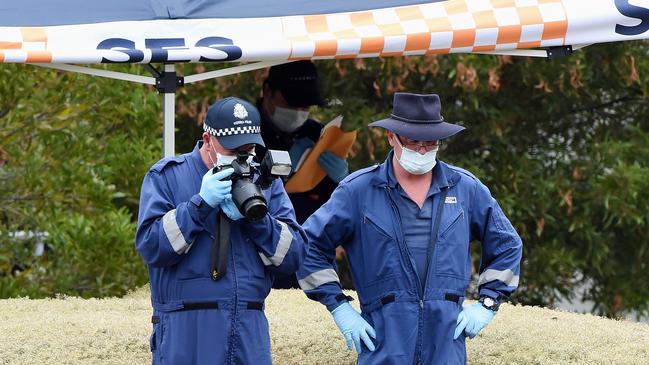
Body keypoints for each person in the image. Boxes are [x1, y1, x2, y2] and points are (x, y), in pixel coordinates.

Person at [297, 93, 523, 364]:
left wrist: (487, 304)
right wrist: (338, 306)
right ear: (392, 138)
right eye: (413, 141)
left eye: (430, 142)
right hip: (383, 345)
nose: (423, 150)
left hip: (446, 347)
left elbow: (507, 245)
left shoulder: (465, 189)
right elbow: (307, 246)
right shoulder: (358, 191)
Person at [135, 96, 306, 365]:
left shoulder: (266, 183)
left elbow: (293, 257)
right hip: (187, 331)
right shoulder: (167, 177)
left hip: (249, 330)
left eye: (248, 149)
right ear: (207, 141)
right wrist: (199, 206)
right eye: (232, 149)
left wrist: (258, 221)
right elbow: (152, 248)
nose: (241, 157)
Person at [256, 60, 349, 288]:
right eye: (293, 103)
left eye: (305, 106)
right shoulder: (246, 132)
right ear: (268, 92)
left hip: (312, 253)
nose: (299, 112)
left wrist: (344, 181)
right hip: (261, 253)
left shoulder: (317, 133)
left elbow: (339, 206)